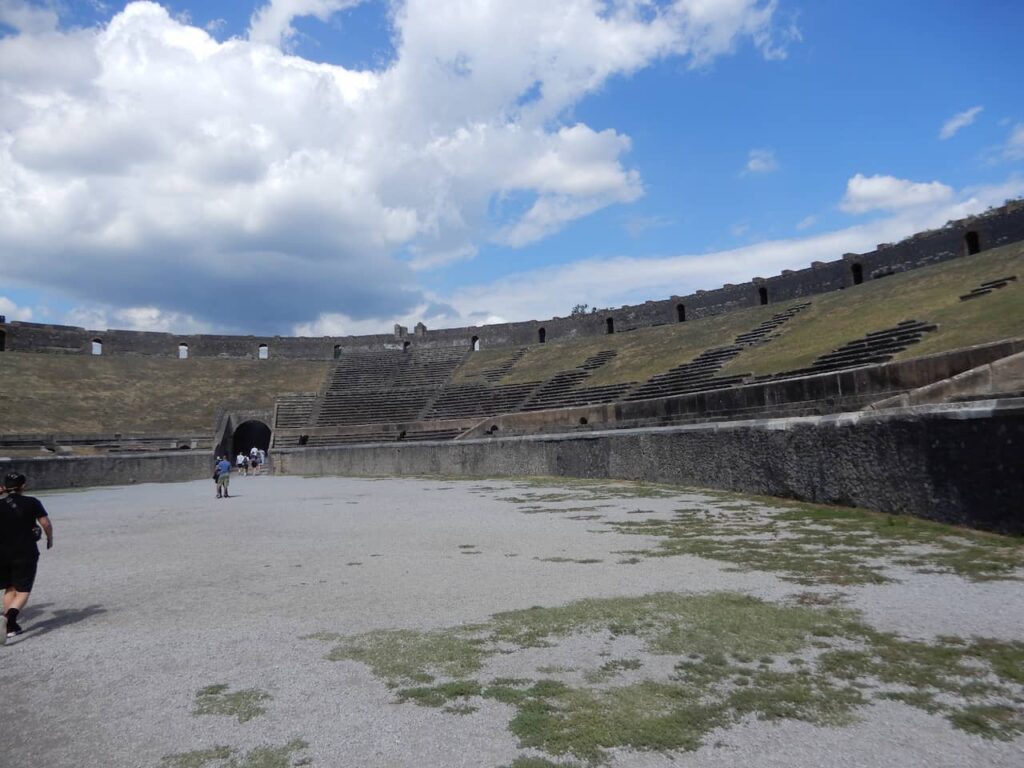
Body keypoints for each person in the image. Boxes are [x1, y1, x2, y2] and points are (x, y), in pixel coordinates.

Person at [1, 472, 53, 643]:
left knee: (10, 587)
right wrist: (49, 538)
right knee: (23, 591)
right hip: (25, 551)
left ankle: (9, 627)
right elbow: (45, 523)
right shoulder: (32, 502)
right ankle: (9, 620)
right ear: (23, 486)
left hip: (2, 553)